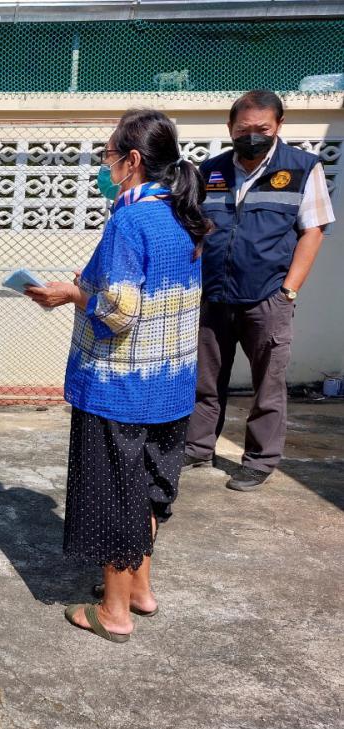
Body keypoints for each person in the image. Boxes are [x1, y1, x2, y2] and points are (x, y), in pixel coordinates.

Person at [25, 109, 210, 643]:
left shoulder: (129, 222)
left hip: (121, 389)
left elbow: (120, 312)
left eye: (108, 155)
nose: (104, 166)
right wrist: (87, 284)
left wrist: (71, 295)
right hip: (171, 385)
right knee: (149, 491)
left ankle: (113, 613)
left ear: (132, 160)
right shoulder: (184, 215)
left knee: (116, 499)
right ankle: (140, 592)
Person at [184, 90, 335, 491]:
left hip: (268, 297)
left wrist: (288, 291)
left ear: (279, 126)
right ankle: (197, 447)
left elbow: (313, 232)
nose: (252, 136)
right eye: (243, 129)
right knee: (205, 380)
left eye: (262, 129)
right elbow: (196, 229)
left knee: (268, 384)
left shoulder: (302, 168)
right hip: (214, 295)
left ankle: (260, 460)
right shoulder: (210, 171)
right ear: (230, 128)